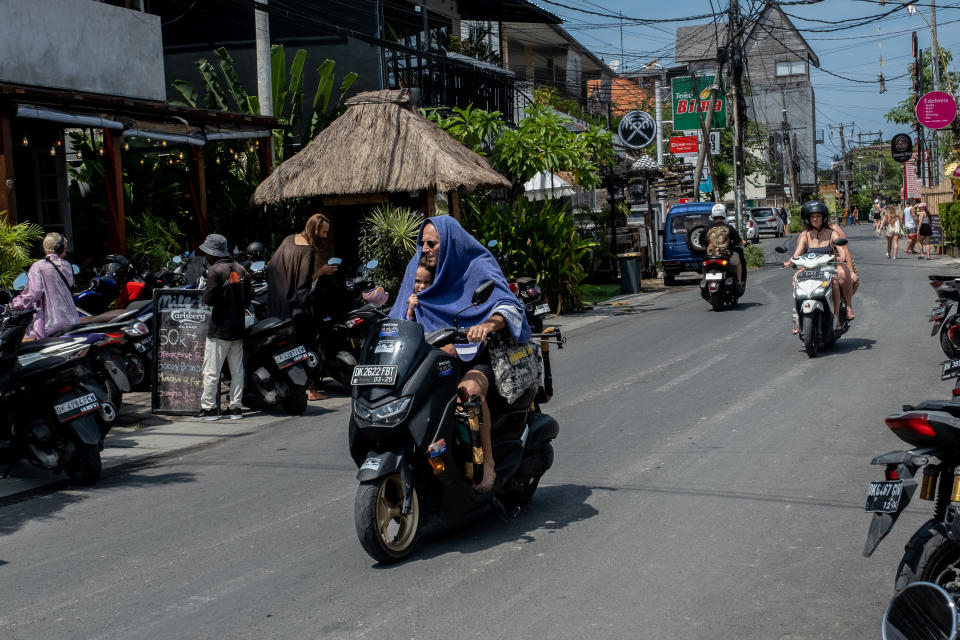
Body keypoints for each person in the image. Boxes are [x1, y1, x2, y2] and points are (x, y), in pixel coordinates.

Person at [389, 216, 530, 493]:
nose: (425, 248)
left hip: (475, 356)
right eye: (422, 242)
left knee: (470, 391)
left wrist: (486, 325)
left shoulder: (475, 265)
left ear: (449, 244)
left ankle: (486, 463)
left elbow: (508, 305)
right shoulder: (416, 266)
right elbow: (399, 314)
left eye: (432, 243)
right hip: (429, 357)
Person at [266, 213, 338, 401]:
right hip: (298, 310)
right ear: (315, 230)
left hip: (278, 308)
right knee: (308, 347)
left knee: (288, 350)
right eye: (323, 232)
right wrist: (320, 272)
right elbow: (303, 286)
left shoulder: (288, 240)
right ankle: (312, 390)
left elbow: (272, 269)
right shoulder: (307, 251)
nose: (325, 236)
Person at [198, 233, 252, 421]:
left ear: (212, 253)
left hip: (219, 329)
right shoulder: (241, 269)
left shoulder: (215, 271)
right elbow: (248, 298)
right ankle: (235, 408)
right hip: (238, 328)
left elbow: (208, 299)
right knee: (237, 371)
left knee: (212, 370)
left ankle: (209, 408)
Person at [784, 201, 854, 332]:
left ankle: (837, 317)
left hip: (828, 267)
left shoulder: (832, 233)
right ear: (808, 219)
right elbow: (797, 253)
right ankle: (798, 317)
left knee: (836, 281)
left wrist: (841, 257)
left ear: (823, 217)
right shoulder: (806, 235)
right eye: (812, 217)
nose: (815, 219)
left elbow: (842, 249)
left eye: (818, 216)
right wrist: (790, 261)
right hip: (810, 267)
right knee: (795, 279)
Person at [9, 232, 78, 340]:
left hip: (51, 324)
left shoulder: (38, 266)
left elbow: (34, 294)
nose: (65, 253)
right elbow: (70, 284)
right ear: (59, 248)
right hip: (72, 320)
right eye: (64, 248)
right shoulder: (68, 265)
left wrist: (14, 304)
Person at [704, 203, 744, 284]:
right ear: (724, 214)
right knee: (739, 263)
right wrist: (742, 242)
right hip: (725, 256)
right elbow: (739, 242)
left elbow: (701, 243)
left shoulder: (707, 228)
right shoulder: (729, 227)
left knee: (704, 266)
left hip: (710, 256)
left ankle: (705, 279)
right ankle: (739, 282)